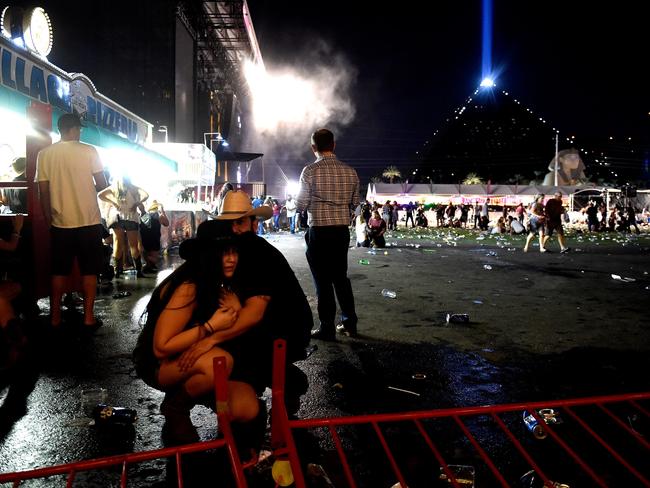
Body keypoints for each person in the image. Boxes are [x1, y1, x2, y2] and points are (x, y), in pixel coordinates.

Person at [133, 229, 261, 446]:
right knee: (219, 363)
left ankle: (190, 394)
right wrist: (210, 327)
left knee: (247, 408)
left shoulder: (217, 282)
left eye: (234, 252)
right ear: (210, 255)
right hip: (158, 364)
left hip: (190, 360)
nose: (231, 259)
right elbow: (161, 348)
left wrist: (236, 309)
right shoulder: (189, 287)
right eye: (223, 253)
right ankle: (176, 407)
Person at [214, 190, 313, 416]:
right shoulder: (233, 249)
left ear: (253, 223)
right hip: (267, 321)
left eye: (240, 222)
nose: (234, 229)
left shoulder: (258, 253)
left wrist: (210, 336)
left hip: (287, 328)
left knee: (231, 348)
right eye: (229, 224)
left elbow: (255, 315)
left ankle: (288, 383)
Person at [36, 112, 108, 330]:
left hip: (60, 223)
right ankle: (88, 318)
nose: (80, 132)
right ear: (74, 129)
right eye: (79, 129)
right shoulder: (89, 151)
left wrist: (49, 217)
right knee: (89, 271)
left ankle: (55, 317)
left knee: (59, 271)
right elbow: (102, 183)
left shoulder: (45, 154)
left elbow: (43, 191)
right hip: (89, 220)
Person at [297, 128, 360, 340]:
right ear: (333, 145)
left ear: (313, 147)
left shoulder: (309, 171)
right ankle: (350, 323)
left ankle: (327, 327)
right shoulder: (350, 171)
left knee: (322, 281)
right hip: (341, 232)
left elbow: (302, 204)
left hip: (319, 232)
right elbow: (356, 204)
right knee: (340, 278)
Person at [99, 176, 149, 277]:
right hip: (131, 218)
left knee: (117, 244)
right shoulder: (133, 187)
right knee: (133, 245)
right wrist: (137, 203)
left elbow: (100, 195)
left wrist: (113, 202)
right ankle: (139, 271)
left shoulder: (113, 187)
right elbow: (146, 195)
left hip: (117, 218)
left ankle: (117, 271)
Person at [139, 200, 170, 273]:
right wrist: (163, 212)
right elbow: (167, 223)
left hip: (144, 239)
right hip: (155, 239)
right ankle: (148, 263)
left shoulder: (143, 215)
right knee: (154, 259)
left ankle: (146, 263)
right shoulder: (159, 215)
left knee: (147, 255)